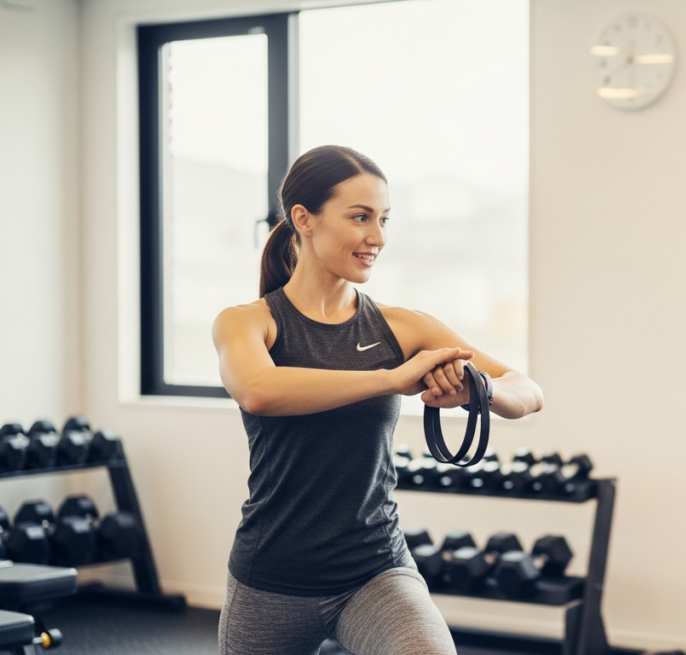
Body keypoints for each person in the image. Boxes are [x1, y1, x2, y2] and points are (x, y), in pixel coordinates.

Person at [212, 145, 543, 655]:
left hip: (374, 569)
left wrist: (478, 390)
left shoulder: (401, 326)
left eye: (384, 219)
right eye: (361, 217)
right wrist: (390, 378)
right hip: (272, 576)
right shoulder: (248, 321)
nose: (378, 238)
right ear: (304, 218)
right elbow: (259, 391)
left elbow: (528, 391)